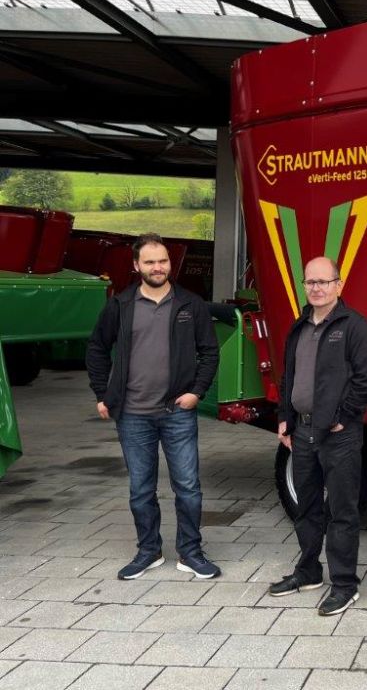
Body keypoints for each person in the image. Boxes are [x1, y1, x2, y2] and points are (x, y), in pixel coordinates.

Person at [86, 232, 220, 580]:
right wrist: (102, 394)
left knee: (188, 487)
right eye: (150, 261)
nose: (158, 267)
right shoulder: (120, 305)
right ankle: (149, 551)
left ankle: (190, 553)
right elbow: (97, 349)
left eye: (162, 260)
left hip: (177, 412)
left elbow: (210, 351)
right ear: (136, 266)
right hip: (132, 414)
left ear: (169, 263)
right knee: (141, 489)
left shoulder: (190, 304)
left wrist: (197, 392)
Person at [268, 257, 367, 616]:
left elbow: (366, 379)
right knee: (307, 507)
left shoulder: (353, 326)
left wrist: (344, 417)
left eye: (323, 282)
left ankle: (345, 584)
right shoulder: (299, 327)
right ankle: (309, 571)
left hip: (338, 436)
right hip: (301, 431)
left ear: (338, 284)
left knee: (342, 511)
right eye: (310, 282)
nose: (316, 288)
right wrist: (285, 419)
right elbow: (288, 378)